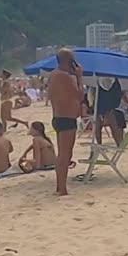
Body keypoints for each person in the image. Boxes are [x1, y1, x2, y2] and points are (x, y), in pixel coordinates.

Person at [49, 50, 83, 196]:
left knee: (62, 155)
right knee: (65, 155)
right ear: (67, 61)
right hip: (66, 118)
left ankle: (59, 186)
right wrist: (79, 77)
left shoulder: (54, 75)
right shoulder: (64, 77)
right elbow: (79, 94)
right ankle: (62, 188)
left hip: (59, 117)